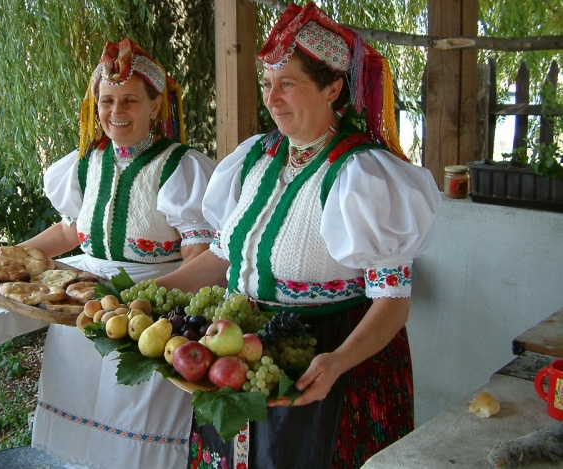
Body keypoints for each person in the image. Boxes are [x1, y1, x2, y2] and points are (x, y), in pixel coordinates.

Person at [156, 3, 441, 468]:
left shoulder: (364, 175)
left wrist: (339, 362)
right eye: (268, 84)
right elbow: (222, 258)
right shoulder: (255, 160)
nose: (272, 98)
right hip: (236, 350)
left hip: (325, 364)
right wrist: (137, 296)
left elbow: (393, 300)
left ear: (332, 87)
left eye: (288, 83)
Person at [0, 39, 216, 468]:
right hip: (81, 303)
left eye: (129, 99)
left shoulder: (181, 167)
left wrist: (158, 310)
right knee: (76, 424)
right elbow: (70, 230)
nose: (115, 111)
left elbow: (199, 257)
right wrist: (9, 255)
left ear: (156, 105)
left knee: (137, 425)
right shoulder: (86, 162)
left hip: (147, 306)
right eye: (106, 100)